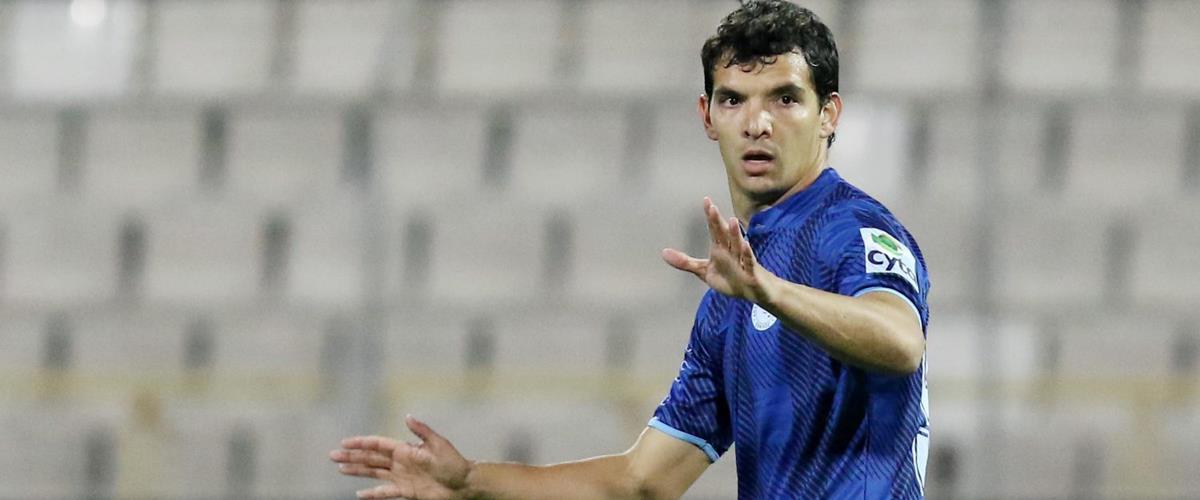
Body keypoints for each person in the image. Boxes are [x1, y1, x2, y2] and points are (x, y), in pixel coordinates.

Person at [330, 1, 931, 498]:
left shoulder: (850, 228)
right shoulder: (729, 298)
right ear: (707, 116)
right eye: (733, 99)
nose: (757, 123)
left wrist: (767, 291)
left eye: (785, 99)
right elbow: (643, 480)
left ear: (829, 114)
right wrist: (470, 481)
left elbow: (901, 342)